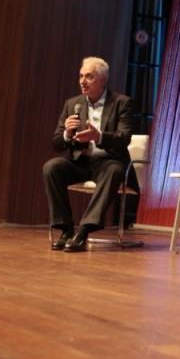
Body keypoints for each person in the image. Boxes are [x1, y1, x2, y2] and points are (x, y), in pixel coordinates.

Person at [43, 57, 135, 252]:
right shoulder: (73, 104)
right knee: (52, 167)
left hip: (109, 161)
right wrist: (67, 134)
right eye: (81, 76)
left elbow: (124, 138)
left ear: (102, 80)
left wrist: (99, 136)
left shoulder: (121, 103)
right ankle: (66, 229)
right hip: (81, 161)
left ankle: (83, 230)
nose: (83, 81)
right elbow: (57, 143)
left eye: (89, 77)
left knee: (114, 170)